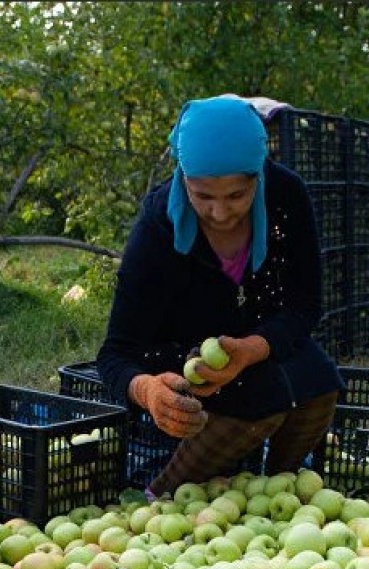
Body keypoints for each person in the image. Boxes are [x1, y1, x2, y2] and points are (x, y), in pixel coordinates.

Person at [94, 95, 344, 495]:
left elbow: (304, 306)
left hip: (252, 343)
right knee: (253, 398)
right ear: (183, 179)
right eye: (203, 196)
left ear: (258, 178)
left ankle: (279, 493)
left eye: (236, 196)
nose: (221, 213)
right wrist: (150, 391)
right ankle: (162, 497)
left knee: (318, 380)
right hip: (180, 360)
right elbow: (114, 354)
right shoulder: (157, 228)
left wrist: (250, 349)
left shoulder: (286, 196)